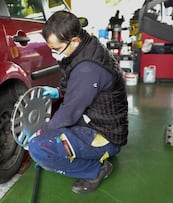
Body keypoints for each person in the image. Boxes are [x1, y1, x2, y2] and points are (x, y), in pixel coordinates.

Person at [27, 10, 128, 194]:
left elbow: (69, 113)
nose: (54, 54)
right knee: (52, 130)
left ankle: (97, 170)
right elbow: (72, 82)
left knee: (39, 148)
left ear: (74, 40)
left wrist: (42, 131)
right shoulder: (84, 47)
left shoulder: (88, 69)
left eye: (56, 49)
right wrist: (58, 92)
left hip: (105, 135)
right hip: (94, 119)